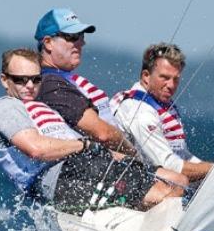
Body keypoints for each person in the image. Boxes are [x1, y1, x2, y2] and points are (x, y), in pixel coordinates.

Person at [0, 48, 186, 214]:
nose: (29, 86)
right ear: (4, 80)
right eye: (21, 80)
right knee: (163, 194)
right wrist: (85, 145)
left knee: (178, 181)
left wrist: (122, 156)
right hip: (64, 179)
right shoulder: (6, 106)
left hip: (89, 165)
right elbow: (37, 149)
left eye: (36, 79)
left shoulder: (41, 107)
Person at [34, 8, 137, 156]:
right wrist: (135, 156)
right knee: (174, 178)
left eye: (81, 36)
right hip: (98, 165)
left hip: (110, 161)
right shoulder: (50, 83)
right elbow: (103, 134)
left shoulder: (66, 79)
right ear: (48, 43)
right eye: (72, 36)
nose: (82, 43)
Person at [111, 43, 213, 182]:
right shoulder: (140, 111)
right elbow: (168, 165)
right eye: (164, 77)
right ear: (146, 76)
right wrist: (212, 169)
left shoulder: (161, 104)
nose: (171, 85)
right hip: (123, 183)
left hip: (151, 176)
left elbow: (181, 155)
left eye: (176, 79)